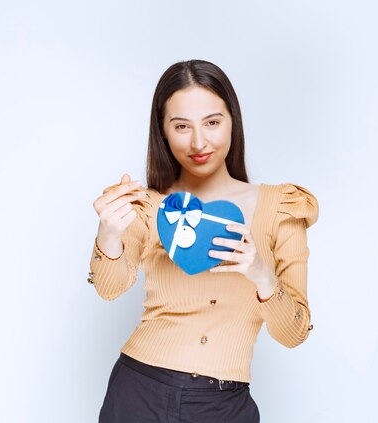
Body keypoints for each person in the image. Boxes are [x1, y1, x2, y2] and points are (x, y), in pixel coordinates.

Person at [89, 59, 318, 423]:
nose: (199, 142)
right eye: (181, 126)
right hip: (139, 392)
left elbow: (294, 333)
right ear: (163, 132)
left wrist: (261, 275)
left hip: (225, 407)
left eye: (212, 122)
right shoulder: (149, 207)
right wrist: (109, 233)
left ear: (233, 122)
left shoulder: (281, 207)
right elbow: (109, 287)